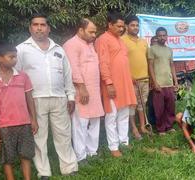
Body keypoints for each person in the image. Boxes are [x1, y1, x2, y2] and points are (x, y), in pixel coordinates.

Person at [16, 14, 78, 178]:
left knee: (64, 134)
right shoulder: (21, 49)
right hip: (35, 99)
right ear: (30, 28)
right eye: (35, 25)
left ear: (48, 28)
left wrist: (70, 96)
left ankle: (69, 168)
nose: (39, 28)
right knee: (39, 137)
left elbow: (67, 75)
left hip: (59, 98)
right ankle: (44, 172)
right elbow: (17, 77)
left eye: (42, 25)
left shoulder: (58, 49)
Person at [0, 43, 38, 180]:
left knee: (26, 154)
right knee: (7, 157)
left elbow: (30, 100)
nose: (15, 59)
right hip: (4, 126)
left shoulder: (23, 77)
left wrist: (33, 120)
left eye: (15, 57)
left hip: (24, 123)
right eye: (11, 57)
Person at [95, 11, 137, 157]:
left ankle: (123, 142)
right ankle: (113, 147)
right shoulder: (103, 39)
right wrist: (108, 83)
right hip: (112, 85)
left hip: (125, 84)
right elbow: (103, 63)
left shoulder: (120, 40)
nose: (121, 29)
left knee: (124, 114)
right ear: (110, 25)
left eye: (122, 27)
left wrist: (130, 78)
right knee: (111, 116)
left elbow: (122, 62)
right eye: (118, 26)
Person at [63, 18, 104, 163]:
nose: (94, 35)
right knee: (80, 123)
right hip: (82, 90)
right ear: (80, 30)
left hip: (94, 90)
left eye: (95, 32)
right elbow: (73, 68)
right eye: (91, 32)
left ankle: (92, 151)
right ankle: (81, 156)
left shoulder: (90, 44)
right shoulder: (71, 44)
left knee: (95, 120)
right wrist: (81, 88)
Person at [121, 15, 150, 140]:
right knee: (132, 105)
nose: (135, 27)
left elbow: (147, 60)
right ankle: (133, 128)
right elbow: (121, 62)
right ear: (126, 26)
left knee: (142, 104)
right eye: (132, 25)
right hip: (130, 80)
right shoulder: (121, 40)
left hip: (145, 79)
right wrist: (128, 76)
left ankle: (143, 126)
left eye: (137, 25)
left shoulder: (143, 41)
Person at [148, 27, 178, 135]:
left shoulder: (169, 50)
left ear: (166, 36)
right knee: (159, 108)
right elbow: (150, 66)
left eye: (164, 35)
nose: (162, 37)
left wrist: (175, 82)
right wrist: (154, 82)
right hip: (158, 84)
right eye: (159, 35)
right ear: (156, 36)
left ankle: (169, 127)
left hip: (169, 83)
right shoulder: (152, 49)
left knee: (170, 107)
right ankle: (161, 128)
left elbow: (172, 66)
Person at [147, 36, 159, 126]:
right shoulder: (149, 52)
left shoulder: (161, 52)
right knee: (151, 102)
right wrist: (151, 80)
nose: (155, 43)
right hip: (150, 80)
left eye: (156, 41)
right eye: (153, 42)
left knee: (159, 102)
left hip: (161, 81)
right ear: (150, 43)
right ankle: (151, 121)